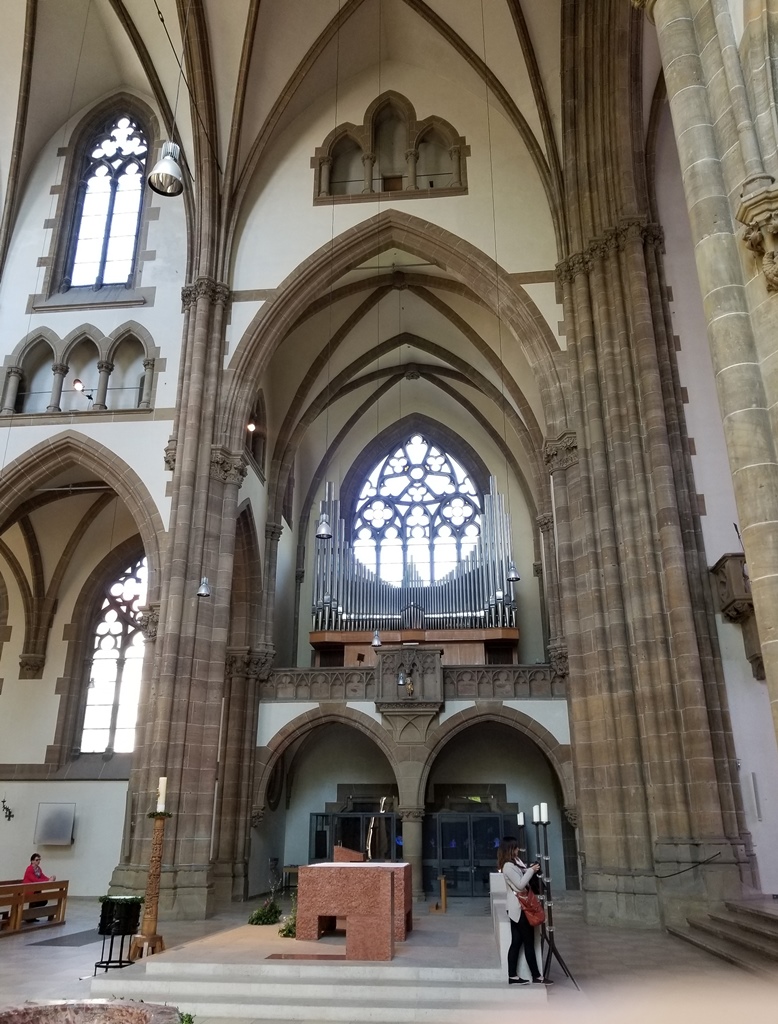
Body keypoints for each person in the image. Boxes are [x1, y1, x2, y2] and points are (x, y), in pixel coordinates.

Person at [497, 836, 552, 986]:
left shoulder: (515, 863)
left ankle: (513, 976)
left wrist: (529, 869)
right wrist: (531, 870)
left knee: (517, 941)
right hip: (519, 908)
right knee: (528, 941)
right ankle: (536, 976)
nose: (518, 849)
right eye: (515, 847)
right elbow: (520, 885)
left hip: (518, 907)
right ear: (510, 848)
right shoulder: (508, 866)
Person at [22, 853, 55, 921]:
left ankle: (31, 916)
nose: (38, 861)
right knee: (39, 901)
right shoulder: (29, 869)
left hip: (36, 889)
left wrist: (49, 879)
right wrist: (47, 881)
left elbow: (42, 877)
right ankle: (29, 916)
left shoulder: (38, 869)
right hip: (29, 890)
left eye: (39, 860)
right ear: (32, 861)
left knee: (43, 901)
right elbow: (35, 880)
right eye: (37, 860)